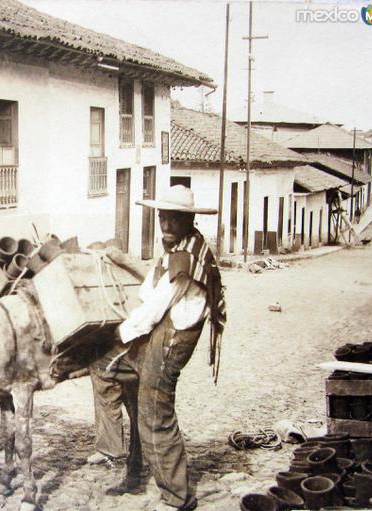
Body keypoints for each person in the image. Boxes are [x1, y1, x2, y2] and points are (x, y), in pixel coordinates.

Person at [90, 185, 226, 511]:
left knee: (155, 414)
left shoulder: (187, 255)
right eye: (162, 217)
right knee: (105, 366)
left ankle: (177, 498)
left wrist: (122, 331)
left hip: (172, 340)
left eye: (173, 218)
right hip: (159, 331)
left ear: (188, 219)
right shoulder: (173, 246)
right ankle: (118, 452)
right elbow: (149, 287)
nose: (165, 224)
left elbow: (156, 304)